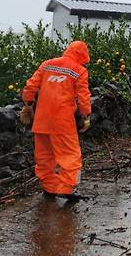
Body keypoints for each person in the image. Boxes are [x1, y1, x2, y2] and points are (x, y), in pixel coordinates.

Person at [21, 40, 92, 201]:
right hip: (62, 123)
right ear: (82, 56)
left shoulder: (47, 65)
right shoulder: (79, 71)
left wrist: (29, 104)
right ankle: (66, 188)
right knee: (70, 156)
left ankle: (49, 187)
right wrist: (86, 116)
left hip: (41, 120)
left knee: (44, 156)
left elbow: (30, 87)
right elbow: (83, 96)